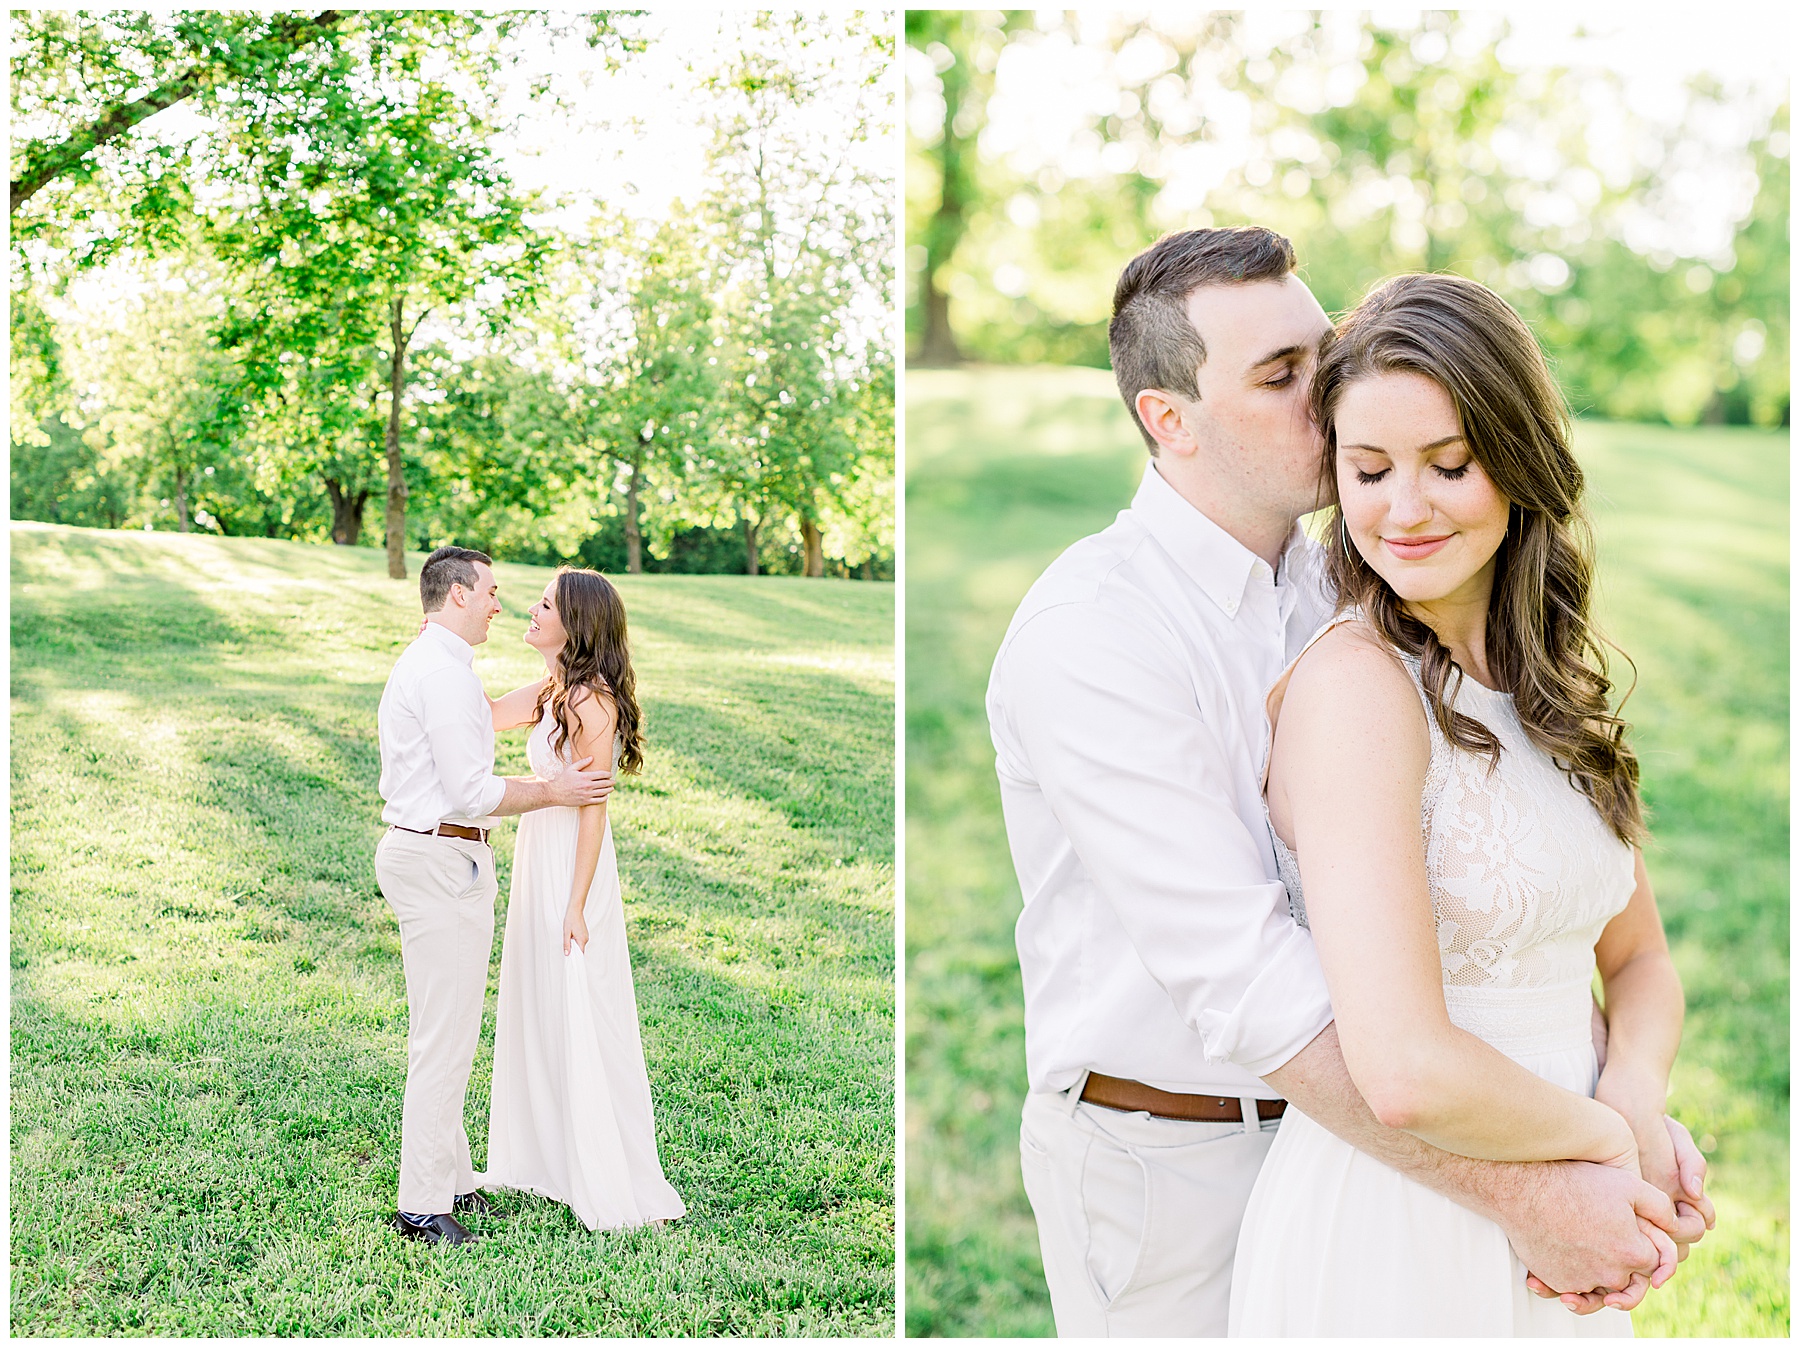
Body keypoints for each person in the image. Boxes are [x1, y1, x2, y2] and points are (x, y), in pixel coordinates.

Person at [985, 227, 1712, 1336]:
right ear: (1167, 419)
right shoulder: (1094, 636)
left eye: (1322, 359)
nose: (1331, 403)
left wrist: (1619, 1102)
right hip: (1173, 1152)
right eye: (1283, 379)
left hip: (1393, 1138)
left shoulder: (1359, 571)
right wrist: (1553, 1176)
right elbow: (1251, 982)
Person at [1229, 272, 1693, 1335]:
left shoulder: (1548, 681)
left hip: (1572, 1198)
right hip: (1403, 1226)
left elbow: (1640, 961)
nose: (1404, 508)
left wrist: (1637, 1094)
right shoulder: (1358, 691)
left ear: (1519, 458)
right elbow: (1401, 1068)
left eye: (1450, 464)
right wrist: (1609, 1146)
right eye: (1370, 469)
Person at [375, 545, 615, 1247]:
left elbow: (486, 719)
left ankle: (453, 1182)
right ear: (456, 597)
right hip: (440, 855)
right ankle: (423, 1206)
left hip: (441, 854)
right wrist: (554, 792)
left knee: (443, 1030)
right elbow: (470, 792)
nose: (501, 605)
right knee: (444, 1041)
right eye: (491, 592)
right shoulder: (439, 673)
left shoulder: (444, 668)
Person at [477, 568, 684, 1231]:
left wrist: (577, 903)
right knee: (537, 997)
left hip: (572, 866)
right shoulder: (551, 689)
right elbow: (481, 717)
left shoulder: (591, 703)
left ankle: (592, 1166)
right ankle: (539, 1157)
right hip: (541, 851)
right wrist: (441, 650)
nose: (529, 612)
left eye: (543, 605)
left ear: (576, 623)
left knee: (576, 1003)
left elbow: (593, 811)